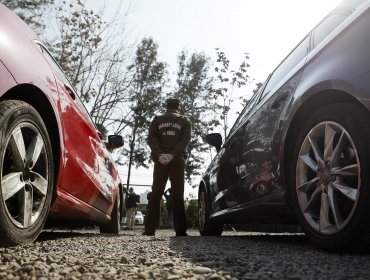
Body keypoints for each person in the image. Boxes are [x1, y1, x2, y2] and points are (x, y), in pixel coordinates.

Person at [143, 98, 192, 236]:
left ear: (166, 107)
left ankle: (149, 230)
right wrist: (173, 154)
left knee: (156, 194)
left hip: (160, 161)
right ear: (179, 107)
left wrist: (160, 154)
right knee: (178, 194)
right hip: (177, 160)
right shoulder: (185, 120)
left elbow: (151, 138)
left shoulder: (157, 119)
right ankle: (180, 231)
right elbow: (185, 139)